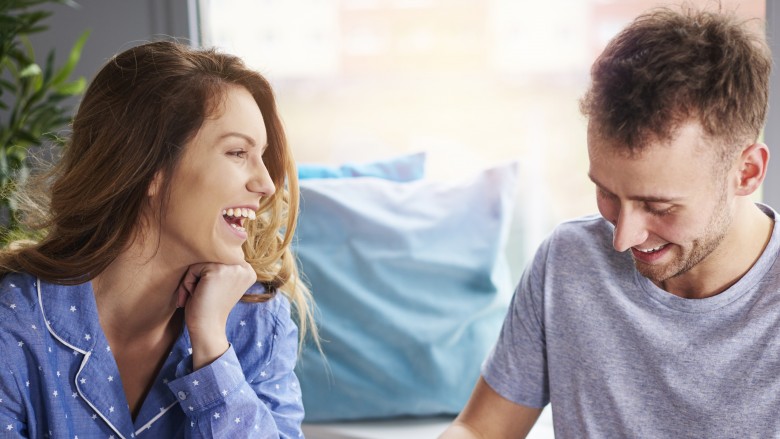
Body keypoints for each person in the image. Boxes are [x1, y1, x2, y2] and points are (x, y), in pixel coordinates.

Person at [440, 6, 776, 438]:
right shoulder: (566, 262)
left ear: (746, 172)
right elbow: (480, 429)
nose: (622, 239)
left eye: (658, 207)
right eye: (607, 194)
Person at [0, 40, 317, 438]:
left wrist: (211, 346)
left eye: (262, 155)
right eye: (237, 152)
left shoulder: (258, 320)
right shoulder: (15, 322)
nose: (266, 184)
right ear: (149, 169)